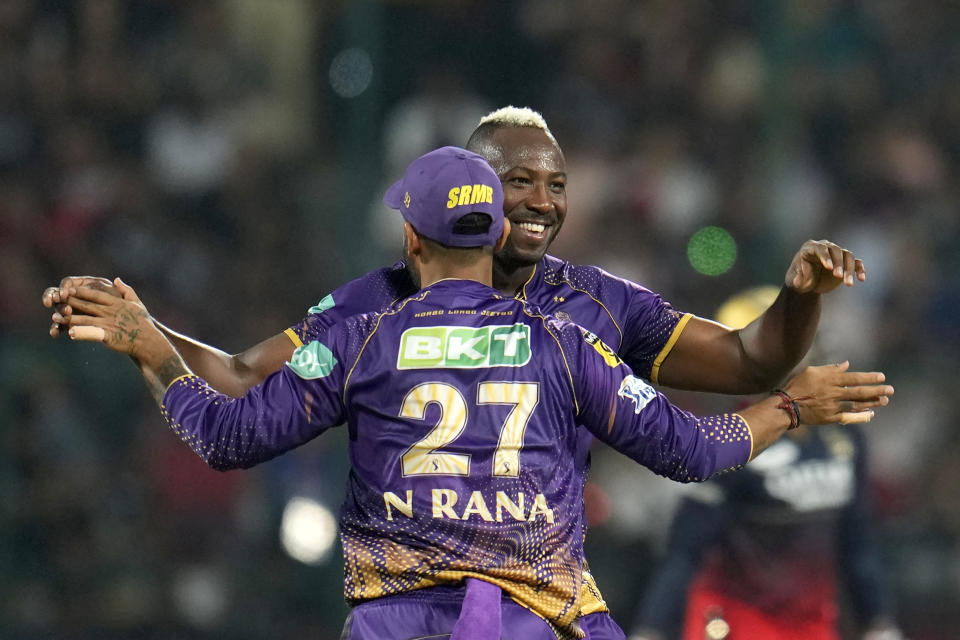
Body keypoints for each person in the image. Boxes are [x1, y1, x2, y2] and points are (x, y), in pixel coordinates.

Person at [43, 106, 872, 638]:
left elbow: (755, 355)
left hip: (444, 610)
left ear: (414, 231)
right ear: (481, 191)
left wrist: (798, 303)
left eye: (557, 184)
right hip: (532, 611)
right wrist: (790, 409)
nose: (543, 202)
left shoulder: (382, 323)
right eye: (520, 182)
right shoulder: (561, 330)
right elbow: (235, 375)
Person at [629, 287, 903, 640]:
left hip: (811, 625)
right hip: (733, 623)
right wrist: (650, 629)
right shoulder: (728, 441)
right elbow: (685, 551)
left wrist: (879, 622)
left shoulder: (845, 439)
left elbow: (857, 541)